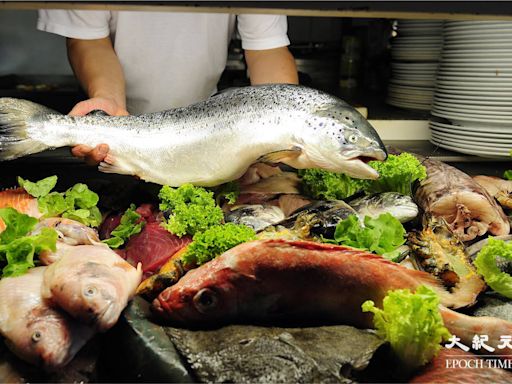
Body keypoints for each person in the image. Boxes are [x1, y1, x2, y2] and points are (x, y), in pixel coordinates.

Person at [37, 10, 299, 164]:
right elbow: (88, 41)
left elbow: (267, 48)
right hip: (118, 123)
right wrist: (108, 101)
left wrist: (284, 131)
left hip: (208, 128)